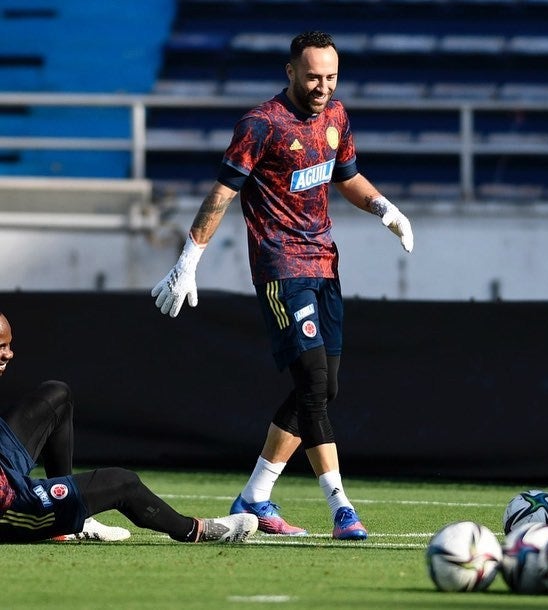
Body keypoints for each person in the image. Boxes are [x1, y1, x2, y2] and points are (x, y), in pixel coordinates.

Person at [151, 31, 414, 540]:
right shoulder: (261, 124)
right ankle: (341, 507)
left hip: (325, 266)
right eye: (313, 76)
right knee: (314, 385)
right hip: (280, 268)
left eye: (331, 77)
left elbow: (346, 175)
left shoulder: (336, 117)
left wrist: (385, 208)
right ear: (290, 71)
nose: (323, 86)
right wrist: (189, 259)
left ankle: (254, 496)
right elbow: (222, 193)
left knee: (322, 388)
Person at [0, 313, 258, 543]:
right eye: (1, 346)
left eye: (9, 345)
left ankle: (72, 524)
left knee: (56, 395)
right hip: (10, 503)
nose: (9, 354)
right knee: (123, 483)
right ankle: (194, 530)